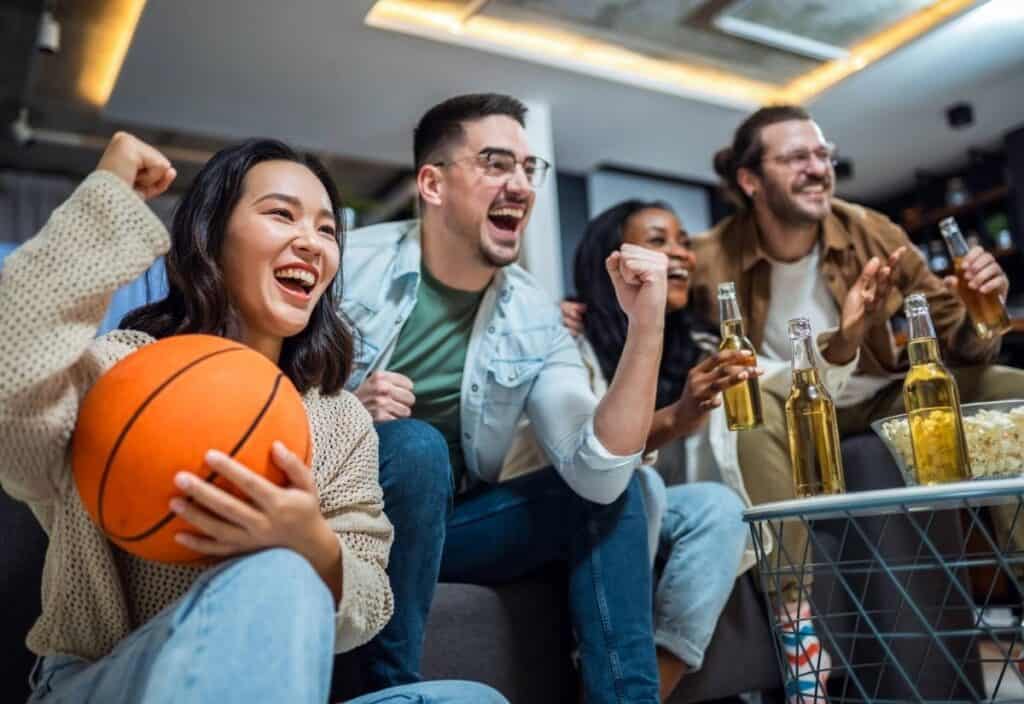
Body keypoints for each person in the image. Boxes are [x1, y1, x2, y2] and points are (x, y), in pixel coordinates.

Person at [0, 132, 505, 704]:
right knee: (279, 575)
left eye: (325, 229)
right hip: (104, 678)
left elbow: (367, 607)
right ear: (211, 239)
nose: (311, 243)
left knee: (473, 700)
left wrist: (311, 542)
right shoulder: (123, 370)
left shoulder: (340, 419)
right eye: (281, 215)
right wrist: (107, 198)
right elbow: (10, 373)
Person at [333, 94, 667, 703]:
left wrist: (646, 327)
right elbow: (263, 389)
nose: (520, 185)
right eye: (494, 163)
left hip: (451, 526)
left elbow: (598, 472)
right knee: (415, 447)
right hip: (338, 517)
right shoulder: (347, 267)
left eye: (528, 168)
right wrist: (345, 409)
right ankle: (389, 696)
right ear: (432, 183)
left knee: (626, 492)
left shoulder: (533, 313)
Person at [689, 104, 1024, 701]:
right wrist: (581, 311)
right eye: (796, 157)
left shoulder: (874, 232)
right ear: (750, 180)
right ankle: (798, 629)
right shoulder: (710, 257)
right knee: (759, 408)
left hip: (879, 393)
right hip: (792, 405)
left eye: (823, 153)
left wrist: (978, 308)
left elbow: (961, 342)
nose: (818, 168)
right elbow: (663, 320)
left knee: (1013, 387)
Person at [509, 200, 752, 702]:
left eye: (683, 241)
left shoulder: (701, 341)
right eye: (659, 240)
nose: (679, 254)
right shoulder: (567, 338)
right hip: (567, 501)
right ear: (611, 259)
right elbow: (598, 459)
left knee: (719, 507)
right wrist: (679, 416)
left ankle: (645, 689)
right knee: (640, 485)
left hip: (657, 505)